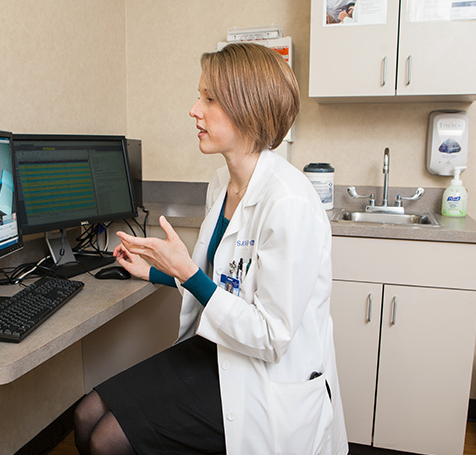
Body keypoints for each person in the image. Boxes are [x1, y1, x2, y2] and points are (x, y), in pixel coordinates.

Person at [74, 42, 348, 455]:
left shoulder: (289, 202)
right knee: (85, 414)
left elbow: (271, 336)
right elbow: (223, 284)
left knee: (107, 440)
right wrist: (156, 271)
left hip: (263, 375)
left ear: (248, 109)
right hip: (217, 349)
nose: (193, 109)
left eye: (209, 99)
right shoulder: (222, 184)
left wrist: (185, 273)